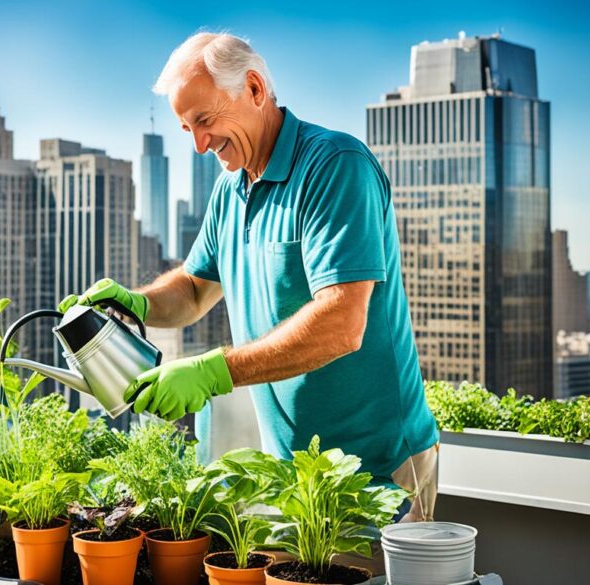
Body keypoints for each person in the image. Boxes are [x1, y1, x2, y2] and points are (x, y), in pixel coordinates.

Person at [59, 32, 439, 567]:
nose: (199, 143)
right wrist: (137, 303)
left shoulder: (334, 166)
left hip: (373, 467)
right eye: (187, 128)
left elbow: (343, 322)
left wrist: (214, 372)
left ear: (255, 88)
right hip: (287, 468)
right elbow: (193, 290)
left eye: (205, 120)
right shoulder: (231, 189)